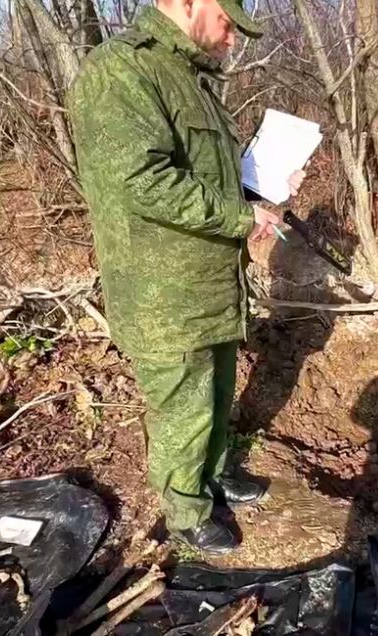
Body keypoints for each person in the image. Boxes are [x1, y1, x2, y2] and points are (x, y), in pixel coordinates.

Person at [68, 0, 305, 553]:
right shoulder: (121, 68)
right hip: (163, 290)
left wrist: (263, 188)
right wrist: (240, 217)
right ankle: (185, 510)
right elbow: (142, 181)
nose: (232, 40)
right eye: (228, 23)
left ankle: (213, 475)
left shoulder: (189, 78)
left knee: (216, 391)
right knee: (183, 406)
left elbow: (204, 179)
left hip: (210, 280)